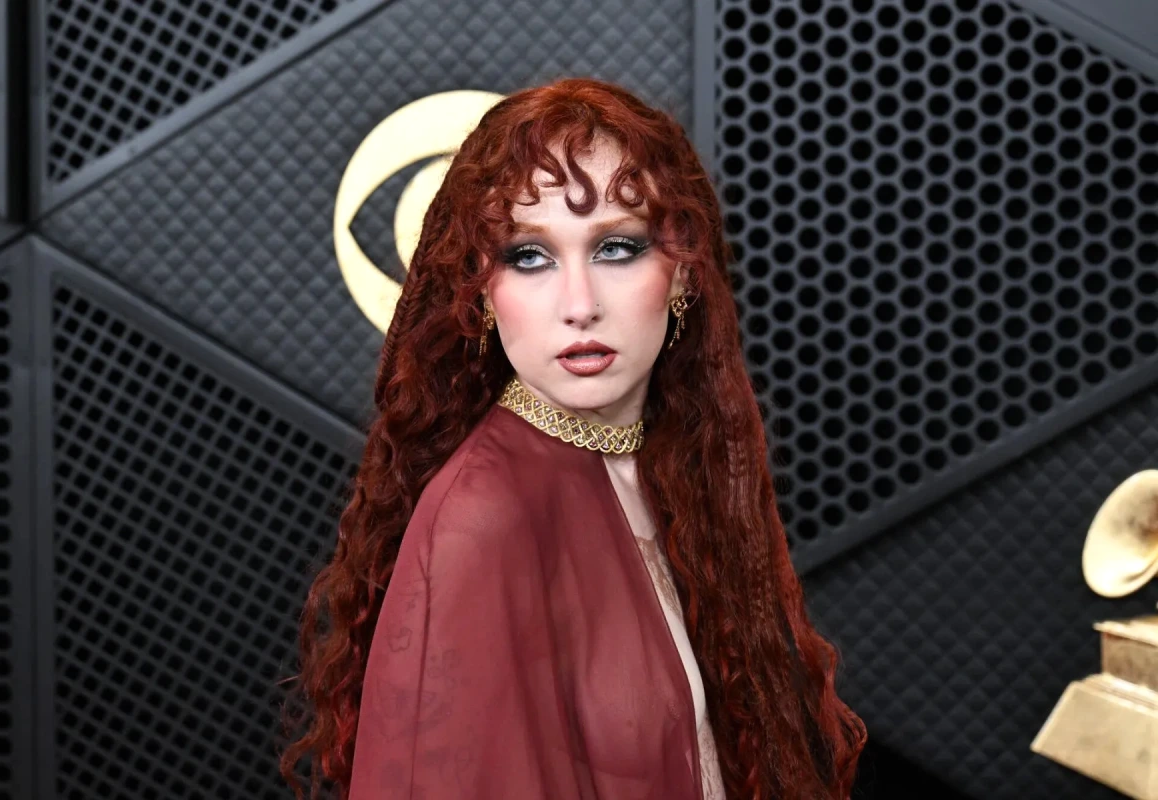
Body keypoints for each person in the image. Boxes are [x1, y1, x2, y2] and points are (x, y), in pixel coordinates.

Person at [279, 77, 867, 800]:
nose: (580, 304)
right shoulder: (484, 519)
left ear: (682, 274)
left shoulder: (673, 467)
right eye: (529, 256)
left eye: (617, 247)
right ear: (480, 294)